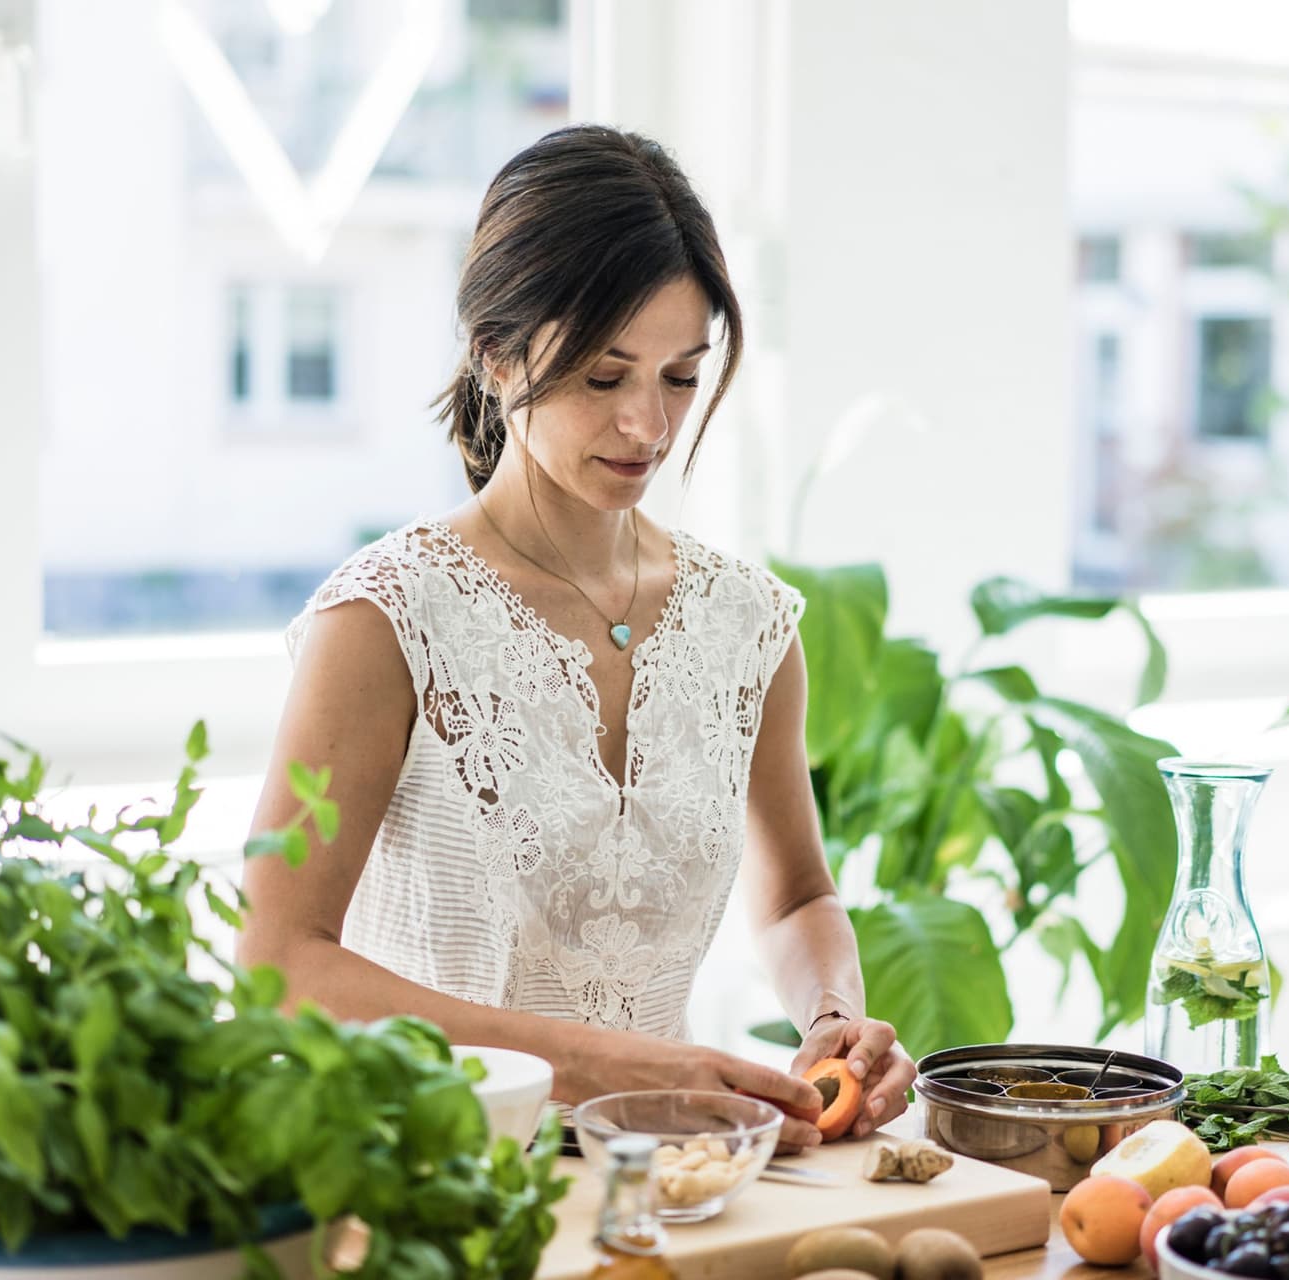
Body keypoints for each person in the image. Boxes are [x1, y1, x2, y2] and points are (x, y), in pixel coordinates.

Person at [239, 124, 915, 1152]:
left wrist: (830, 1020)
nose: (648, 424)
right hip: (425, 1187)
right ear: (494, 352)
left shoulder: (748, 622)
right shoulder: (385, 616)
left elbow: (797, 895)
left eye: (681, 377)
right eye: (605, 377)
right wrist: (602, 1063)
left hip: (676, 1187)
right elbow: (280, 963)